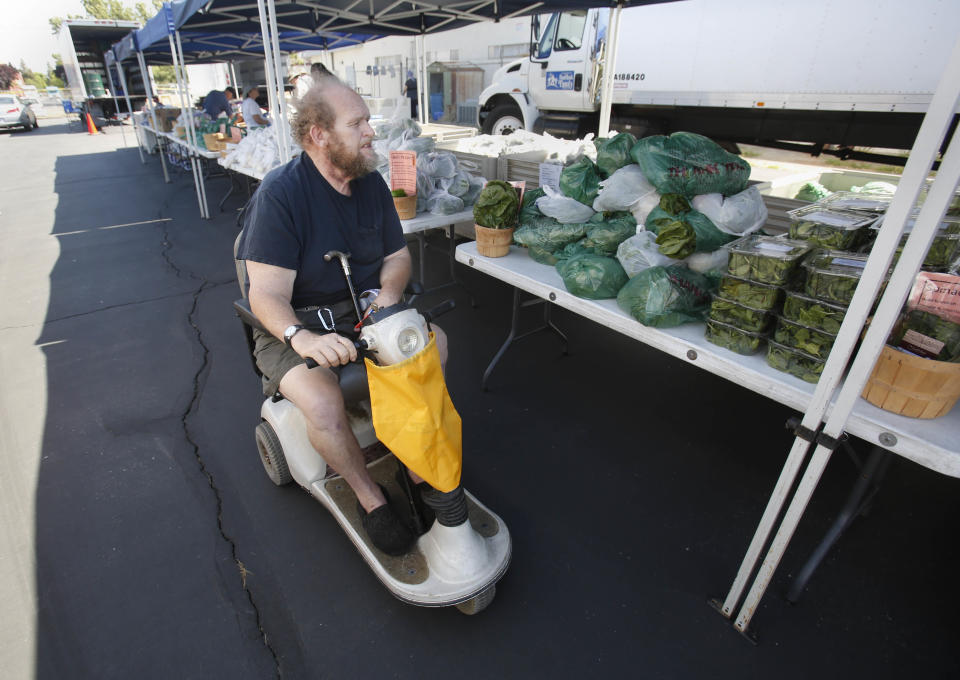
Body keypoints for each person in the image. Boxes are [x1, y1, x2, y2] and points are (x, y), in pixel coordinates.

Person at [236, 77, 448, 556]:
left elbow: (397, 258)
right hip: (295, 328)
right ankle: (370, 498)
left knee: (437, 346)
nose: (370, 132)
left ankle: (414, 464)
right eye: (357, 123)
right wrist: (301, 339)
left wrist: (388, 295)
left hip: (363, 312)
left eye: (367, 120)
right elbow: (265, 295)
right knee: (324, 404)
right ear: (319, 134)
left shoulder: (371, 184)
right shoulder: (281, 195)